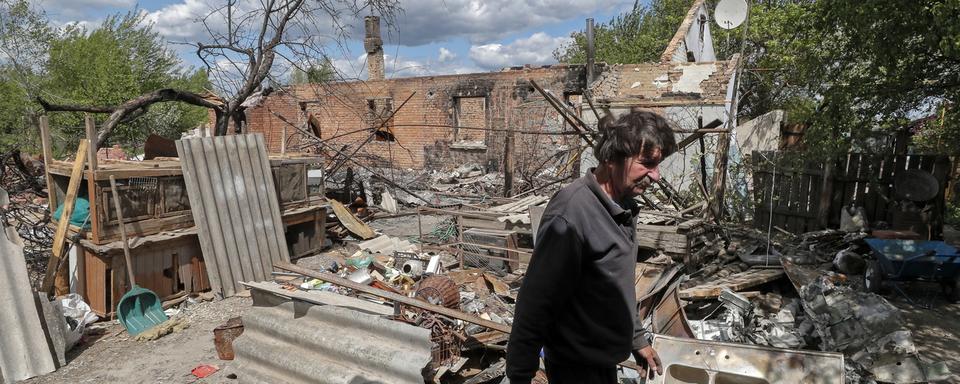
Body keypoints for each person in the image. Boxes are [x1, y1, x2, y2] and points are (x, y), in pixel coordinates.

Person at [505, 110, 677, 383]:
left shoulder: (624, 207)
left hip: (604, 361)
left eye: (658, 166)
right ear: (611, 159)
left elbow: (616, 285)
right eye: (647, 164)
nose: (655, 176)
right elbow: (535, 302)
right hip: (575, 368)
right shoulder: (571, 213)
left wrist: (636, 340)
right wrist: (519, 376)